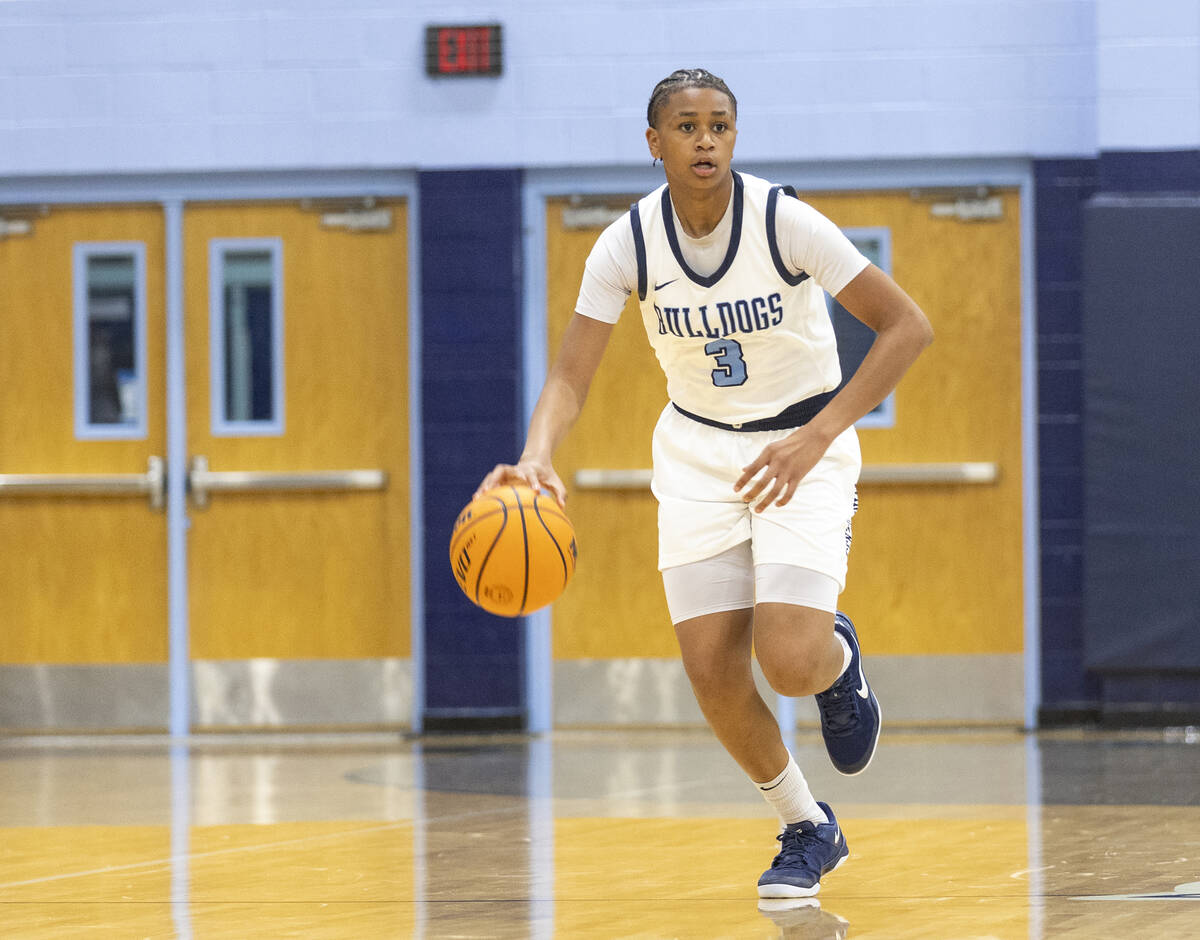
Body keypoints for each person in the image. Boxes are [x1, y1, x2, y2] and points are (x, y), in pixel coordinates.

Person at [476, 67, 933, 897]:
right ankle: (807, 826)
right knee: (715, 675)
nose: (706, 140)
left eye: (720, 125)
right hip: (696, 454)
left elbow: (908, 326)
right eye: (687, 127)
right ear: (655, 143)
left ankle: (838, 668)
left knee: (788, 659)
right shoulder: (628, 243)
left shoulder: (782, 221)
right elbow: (572, 375)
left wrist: (820, 435)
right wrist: (538, 451)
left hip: (802, 441)